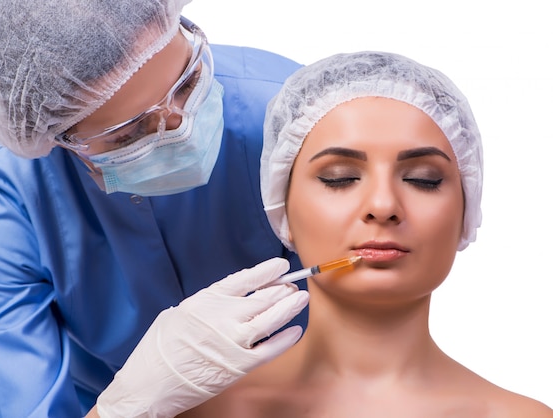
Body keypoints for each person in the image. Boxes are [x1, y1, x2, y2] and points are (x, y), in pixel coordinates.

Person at [0, 0, 311, 416]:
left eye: (188, 82)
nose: (182, 125)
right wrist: (128, 405)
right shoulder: (8, 186)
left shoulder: (288, 109)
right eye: (132, 131)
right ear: (58, 137)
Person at [178, 51, 553, 417]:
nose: (384, 204)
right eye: (339, 178)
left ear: (466, 212)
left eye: (423, 180)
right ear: (282, 209)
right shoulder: (204, 410)